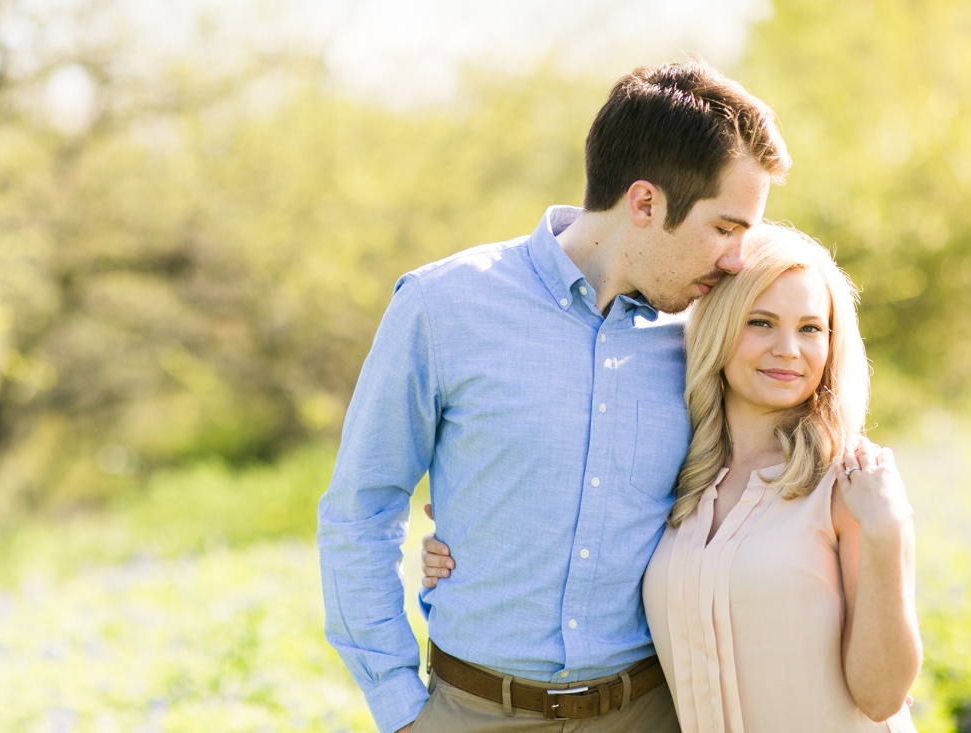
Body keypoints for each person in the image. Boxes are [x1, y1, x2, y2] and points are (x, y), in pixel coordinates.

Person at [317, 56, 790, 733]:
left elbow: (780, 451)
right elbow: (360, 509)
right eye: (726, 227)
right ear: (646, 202)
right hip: (470, 711)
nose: (738, 259)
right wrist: (400, 707)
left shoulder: (706, 337)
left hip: (651, 711)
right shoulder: (442, 306)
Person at [425, 224, 922, 732]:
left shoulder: (851, 484)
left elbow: (882, 697)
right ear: (719, 327)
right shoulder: (677, 474)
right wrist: (468, 538)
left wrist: (887, 531)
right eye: (761, 322)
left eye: (811, 328)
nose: (789, 348)